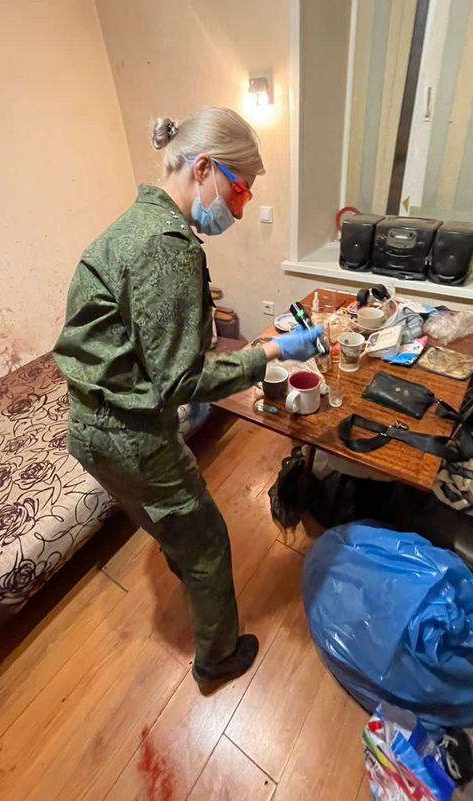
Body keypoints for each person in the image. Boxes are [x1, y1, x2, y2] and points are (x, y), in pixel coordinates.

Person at [53, 106, 323, 688]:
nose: (241, 209)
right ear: (203, 168)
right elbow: (182, 382)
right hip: (130, 436)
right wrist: (271, 352)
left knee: (167, 523)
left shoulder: (136, 224)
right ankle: (217, 658)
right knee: (208, 541)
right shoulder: (165, 246)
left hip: (88, 429)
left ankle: (186, 566)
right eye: (240, 190)